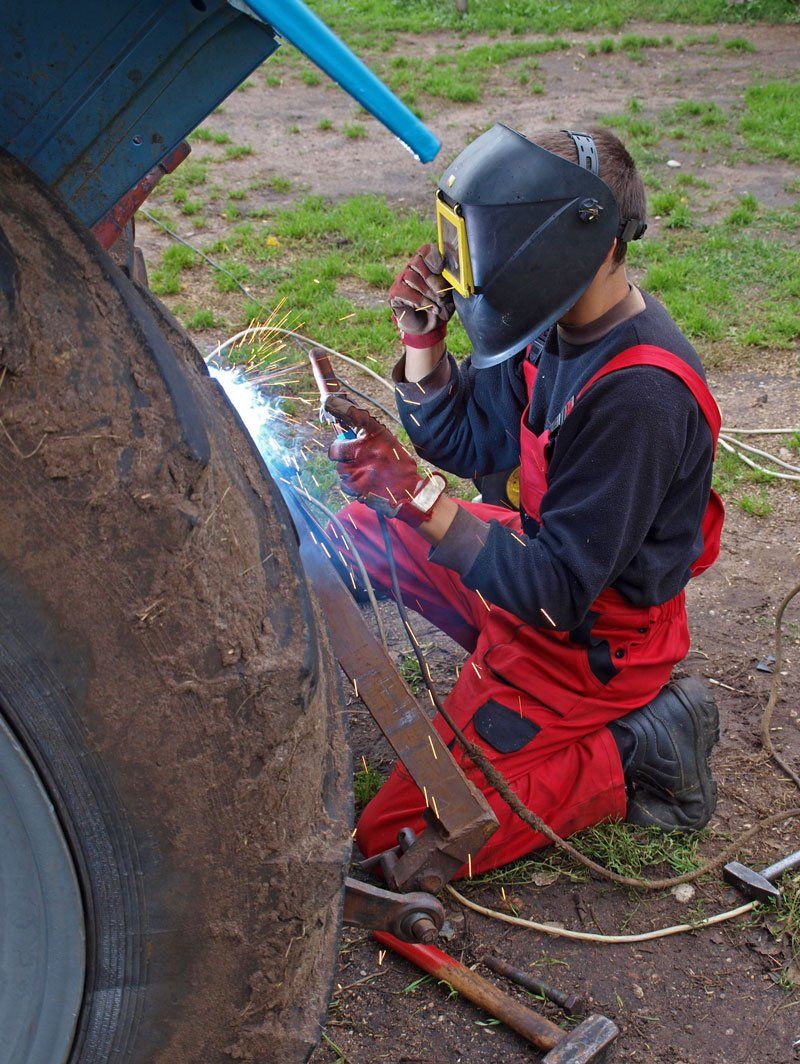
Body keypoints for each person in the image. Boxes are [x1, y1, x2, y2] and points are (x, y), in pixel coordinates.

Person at [328, 124, 724, 876]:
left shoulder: (640, 394)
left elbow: (558, 593)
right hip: (535, 567)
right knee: (351, 534)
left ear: (591, 240)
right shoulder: (556, 322)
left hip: (590, 641)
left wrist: (416, 496)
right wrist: (425, 344)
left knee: (396, 849)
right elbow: (471, 441)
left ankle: (639, 748)